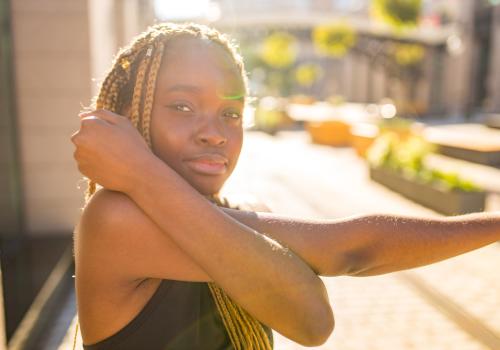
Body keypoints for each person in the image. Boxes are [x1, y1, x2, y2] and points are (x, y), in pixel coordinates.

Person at [71, 23, 500, 350]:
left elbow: (310, 316)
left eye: (231, 114)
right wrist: (141, 172)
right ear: (127, 114)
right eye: (182, 106)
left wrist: (141, 170)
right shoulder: (115, 218)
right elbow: (345, 256)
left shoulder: (243, 205)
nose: (215, 133)